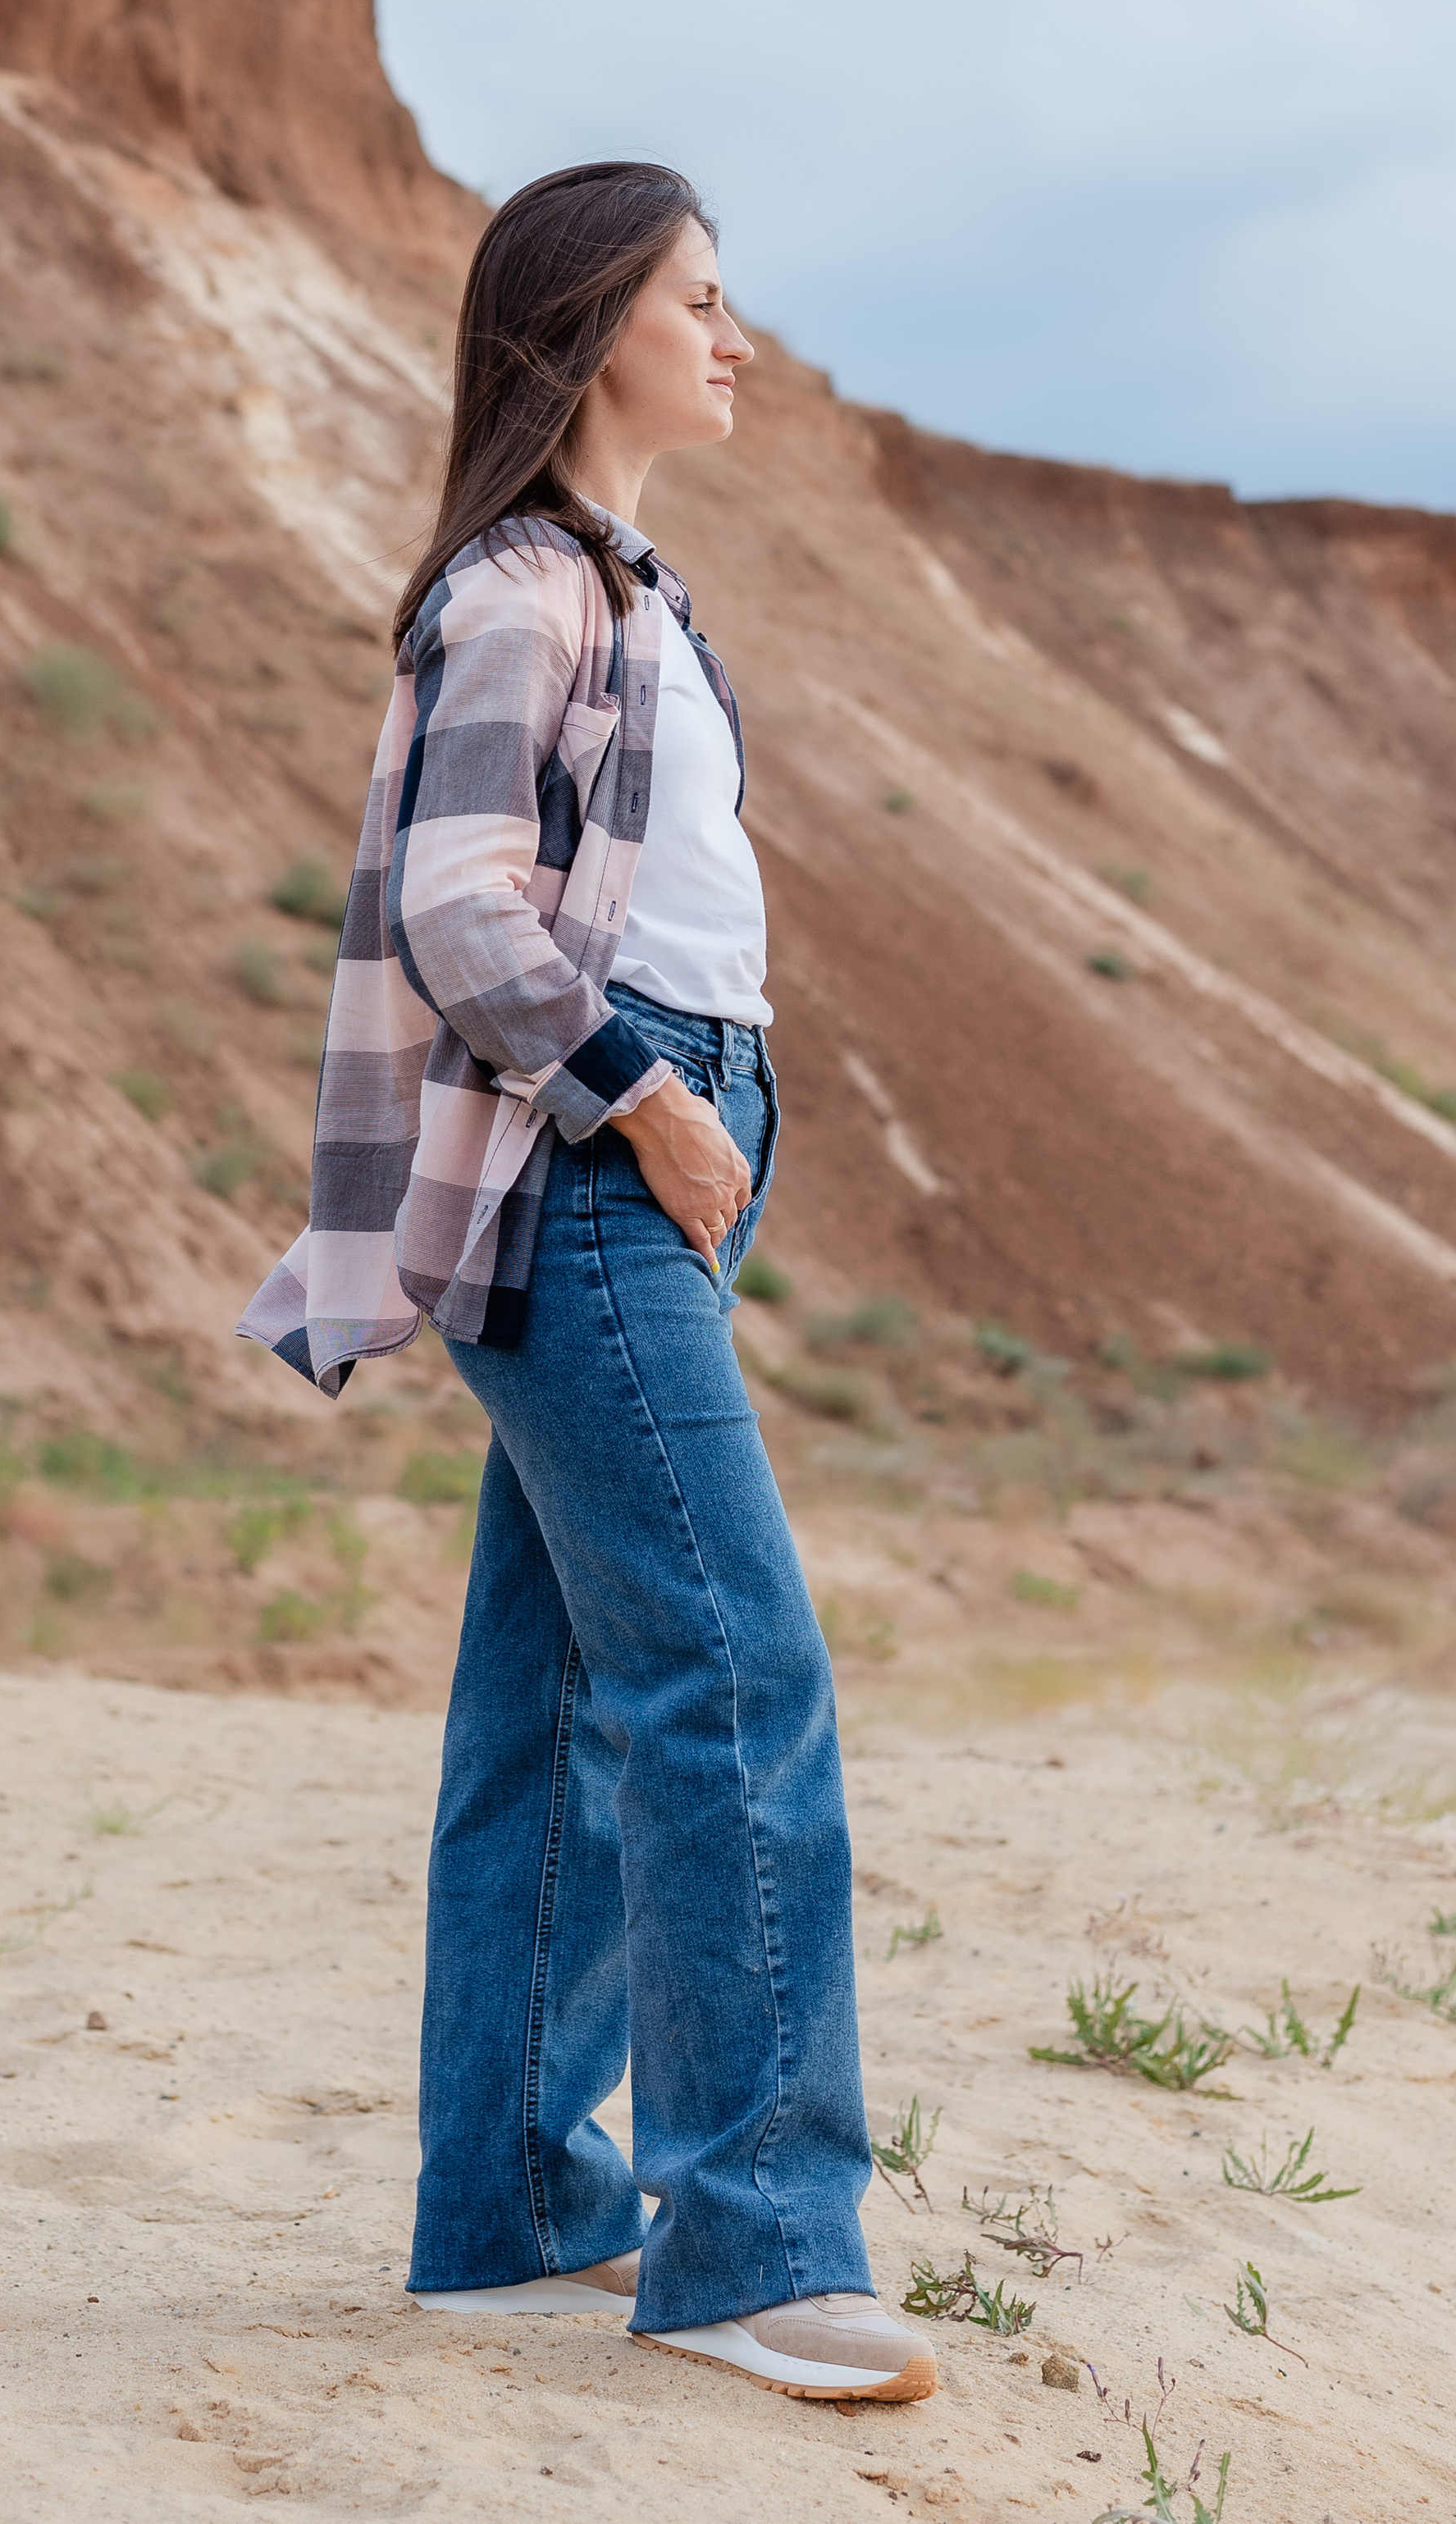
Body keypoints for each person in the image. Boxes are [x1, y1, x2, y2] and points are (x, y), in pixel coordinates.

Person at [240, 161, 935, 2407]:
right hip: (586, 1177)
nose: (736, 337)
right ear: (587, 331)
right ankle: (747, 2242)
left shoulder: (630, 585)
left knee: (564, 1710)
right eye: (700, 300)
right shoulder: (526, 587)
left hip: (652, 1163)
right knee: (738, 1675)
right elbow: (462, 901)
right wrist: (642, 1091)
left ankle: (520, 2205)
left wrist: (698, 1099)